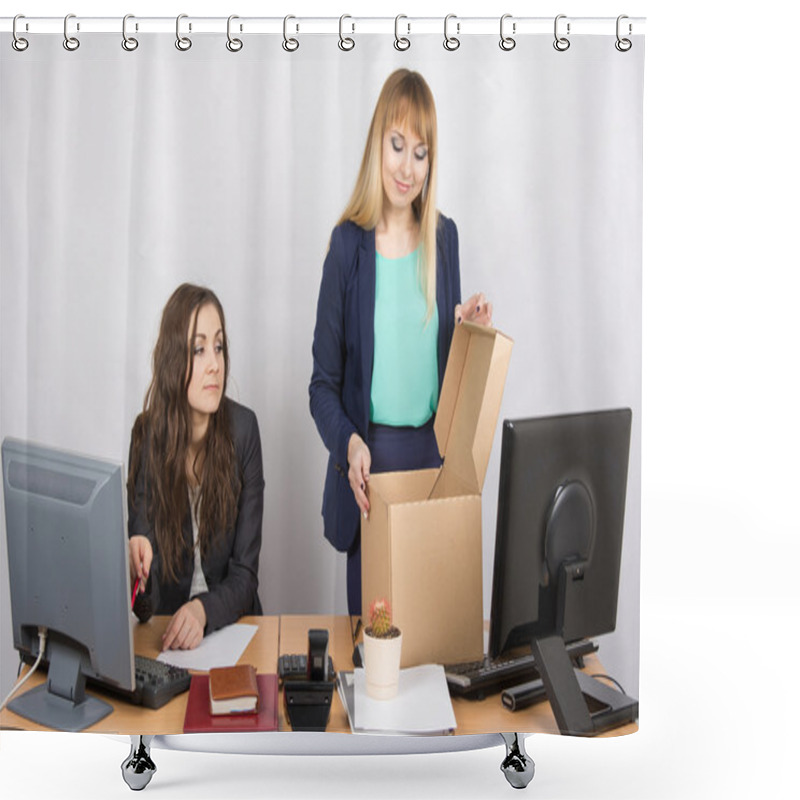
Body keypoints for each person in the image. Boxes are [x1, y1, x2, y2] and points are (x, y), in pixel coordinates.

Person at [309, 69, 492, 616]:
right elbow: (322, 386)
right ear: (376, 144)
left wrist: (471, 334)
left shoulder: (445, 238)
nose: (407, 167)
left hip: (434, 470)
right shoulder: (347, 248)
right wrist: (350, 445)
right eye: (397, 145)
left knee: (435, 652)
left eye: (421, 152)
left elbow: (448, 373)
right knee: (375, 661)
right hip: (371, 471)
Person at [128, 283, 264, 650]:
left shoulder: (245, 431)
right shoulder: (147, 437)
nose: (215, 364)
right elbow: (144, 608)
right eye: (199, 349)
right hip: (171, 639)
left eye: (218, 347)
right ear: (175, 360)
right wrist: (134, 575)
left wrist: (203, 611)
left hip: (235, 630)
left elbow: (245, 575)